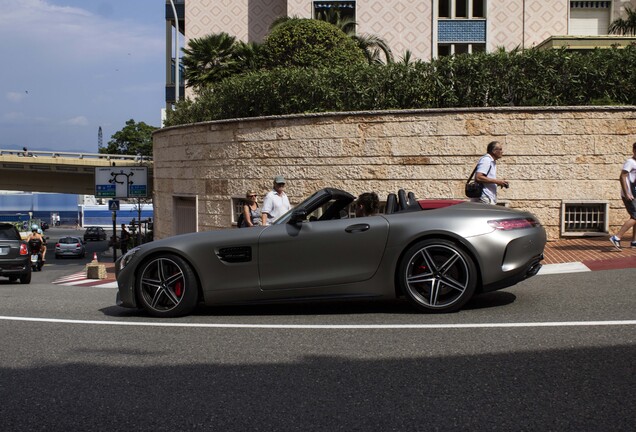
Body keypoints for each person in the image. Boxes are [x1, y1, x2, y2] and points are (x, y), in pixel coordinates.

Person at [609, 141, 636, 250]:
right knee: (635, 216)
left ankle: (634, 241)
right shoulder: (630, 162)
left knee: (634, 217)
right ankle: (617, 237)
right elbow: (622, 177)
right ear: (634, 150)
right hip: (629, 195)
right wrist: (626, 193)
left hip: (634, 193)